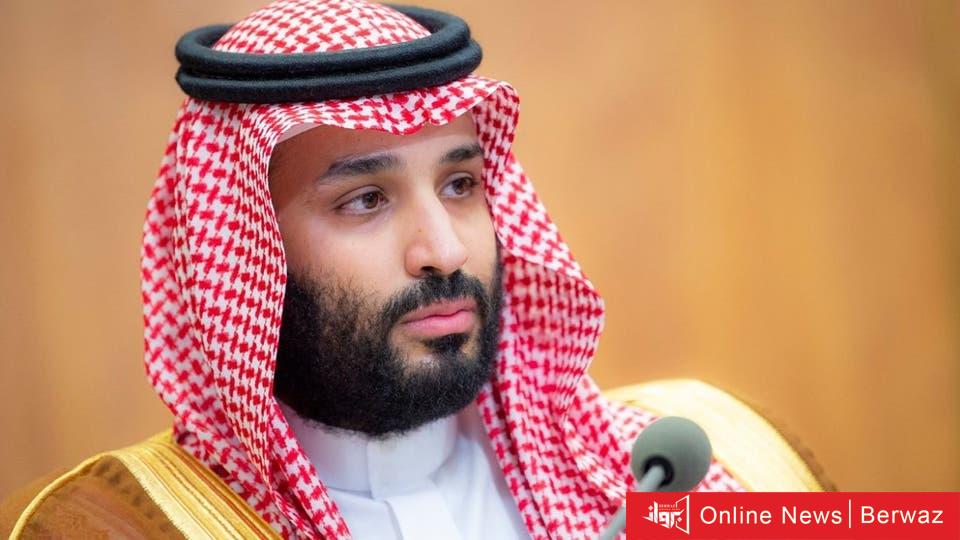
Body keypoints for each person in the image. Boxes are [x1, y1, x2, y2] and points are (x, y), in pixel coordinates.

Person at [1, 1, 830, 538]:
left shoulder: (708, 468)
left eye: (461, 185)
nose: (445, 249)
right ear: (246, 251)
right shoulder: (102, 527)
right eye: (365, 199)